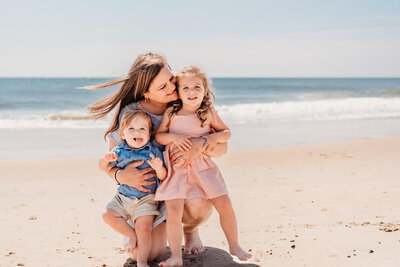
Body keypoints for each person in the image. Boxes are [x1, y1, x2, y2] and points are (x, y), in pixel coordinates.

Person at [86, 53, 228, 262]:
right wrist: (120, 176)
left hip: (180, 185)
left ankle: (189, 230)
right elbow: (111, 161)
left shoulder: (186, 101)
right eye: (163, 87)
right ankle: (141, 227)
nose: (172, 87)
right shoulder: (131, 114)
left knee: (199, 206)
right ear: (146, 94)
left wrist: (202, 145)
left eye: (171, 79)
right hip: (148, 195)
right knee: (141, 256)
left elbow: (222, 149)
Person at [154, 66, 252, 266]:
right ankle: (175, 256)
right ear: (179, 92)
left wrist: (212, 137)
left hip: (204, 167)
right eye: (186, 88)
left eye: (197, 87)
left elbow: (226, 133)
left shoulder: (207, 113)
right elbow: (160, 136)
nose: (192, 92)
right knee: (174, 213)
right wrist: (172, 136)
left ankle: (234, 245)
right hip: (177, 168)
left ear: (205, 90)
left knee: (225, 205)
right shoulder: (171, 112)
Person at [99, 109, 167, 267]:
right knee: (107, 214)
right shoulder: (119, 151)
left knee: (144, 229)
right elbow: (103, 168)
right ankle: (130, 234)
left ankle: (142, 262)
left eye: (142, 129)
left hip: (146, 199)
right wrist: (105, 160)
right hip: (122, 197)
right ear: (122, 134)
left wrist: (158, 168)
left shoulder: (153, 151)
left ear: (149, 134)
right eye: (131, 129)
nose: (137, 132)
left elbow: (163, 176)